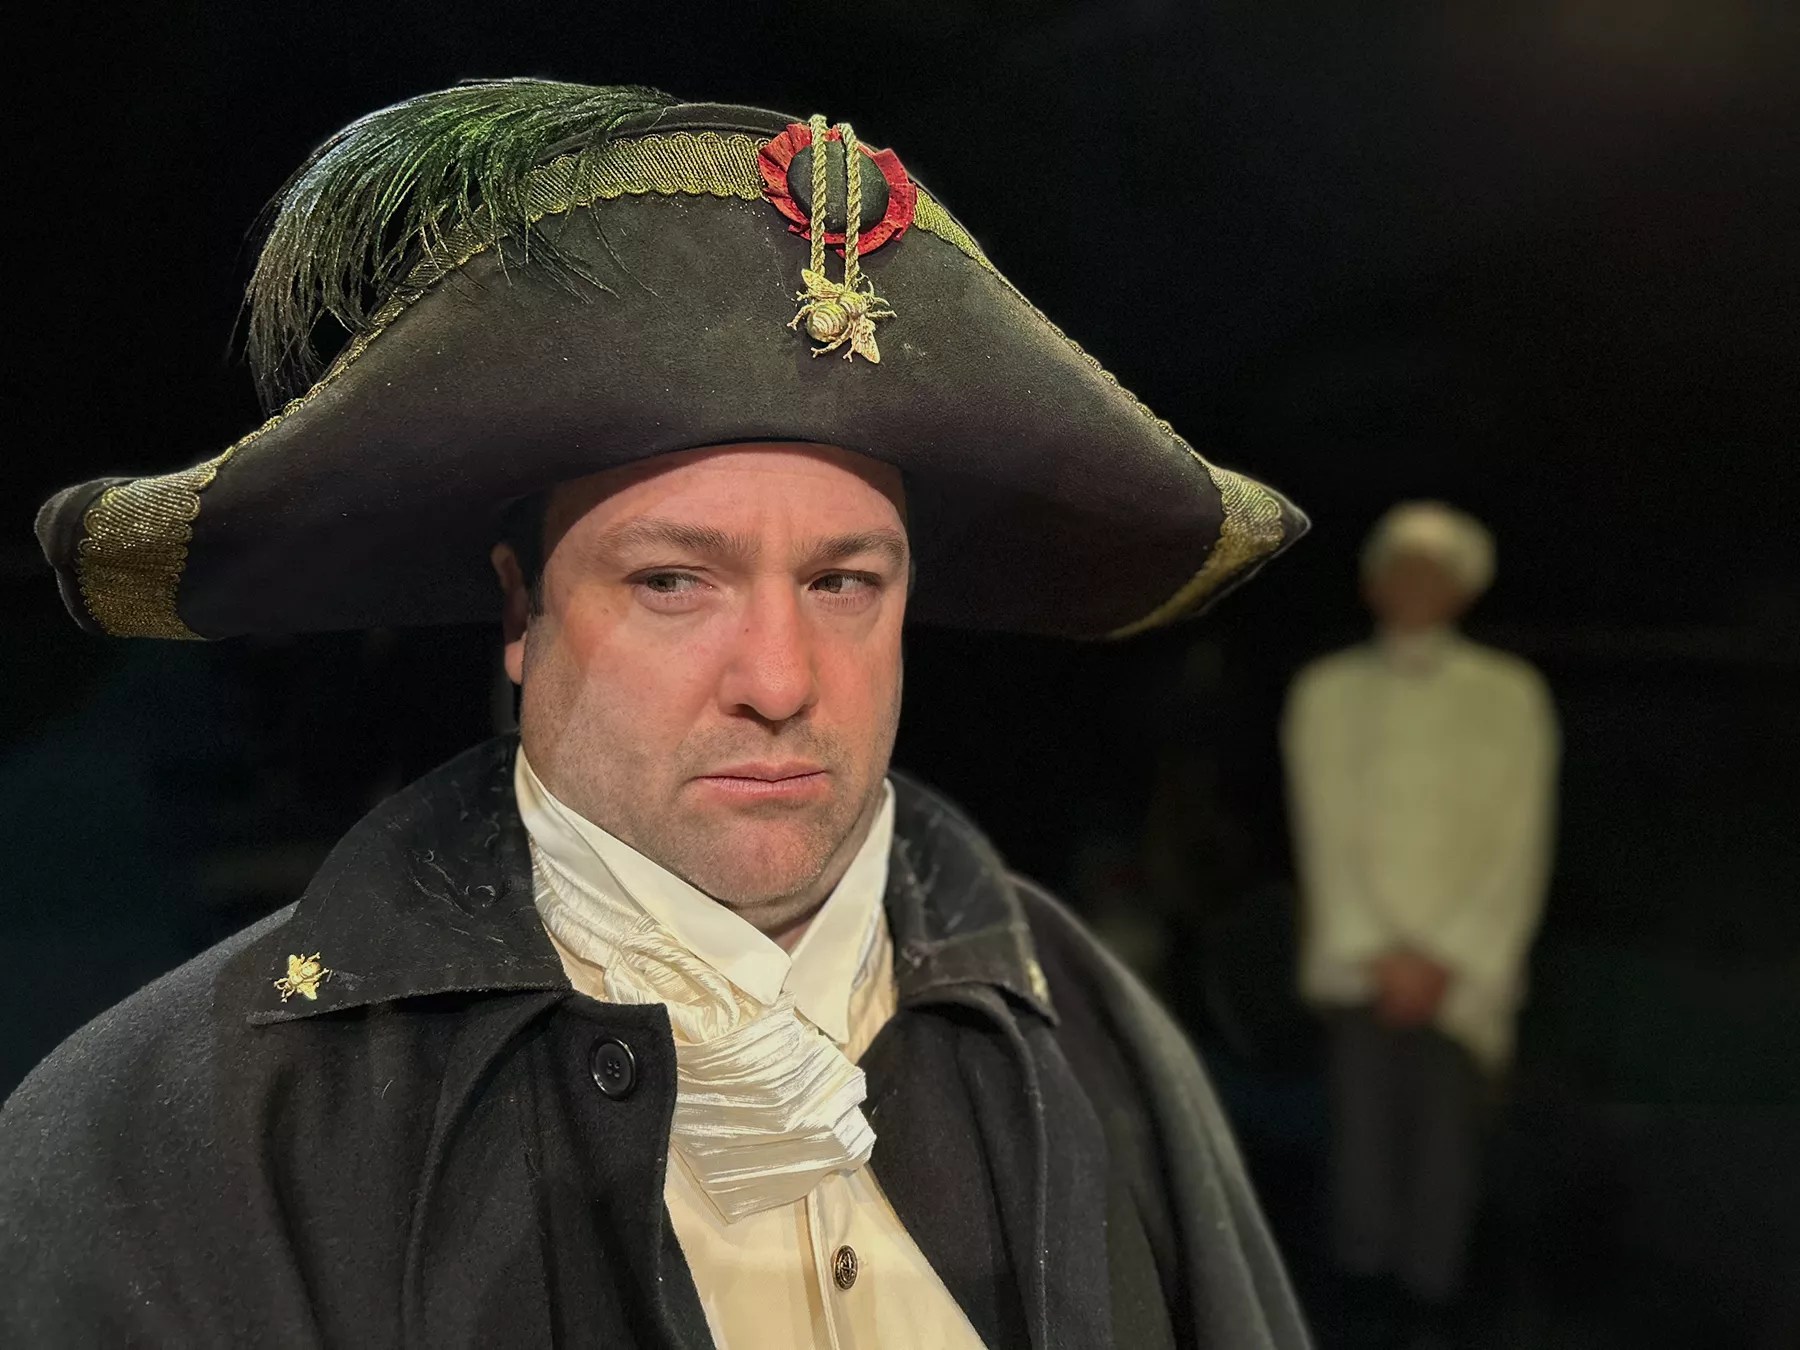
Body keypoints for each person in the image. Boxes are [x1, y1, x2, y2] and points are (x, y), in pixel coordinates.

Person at [4, 81, 1312, 1348]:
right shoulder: (176, 1139)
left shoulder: (1084, 1023)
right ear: (521, 612)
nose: (780, 681)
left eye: (843, 582)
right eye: (674, 581)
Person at [1282, 502, 1558, 1336]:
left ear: (1465, 589)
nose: (1414, 587)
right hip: (1361, 968)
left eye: (1434, 573)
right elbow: (1323, 832)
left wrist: (1449, 957)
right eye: (1399, 569)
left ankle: (1436, 1314)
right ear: (1372, 584)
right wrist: (1376, 952)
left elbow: (1518, 840)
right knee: (1358, 1157)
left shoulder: (1510, 695)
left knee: (1448, 1161)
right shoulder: (1326, 692)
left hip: (1460, 978)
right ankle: (1358, 1314)